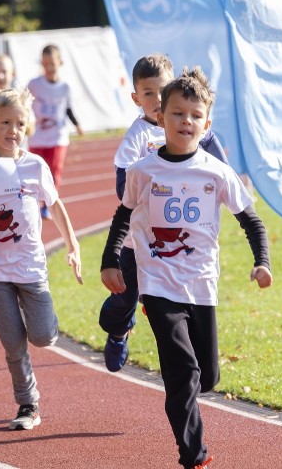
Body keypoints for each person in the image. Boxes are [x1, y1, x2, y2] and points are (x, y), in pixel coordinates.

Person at [100, 67, 272, 469]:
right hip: (158, 284)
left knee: (206, 378)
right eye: (177, 114)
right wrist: (111, 261)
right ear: (161, 117)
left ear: (206, 124)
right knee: (183, 373)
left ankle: (190, 408)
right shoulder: (144, 171)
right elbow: (123, 216)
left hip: (201, 284)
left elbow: (251, 220)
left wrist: (262, 262)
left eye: (195, 116)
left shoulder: (216, 171)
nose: (185, 122)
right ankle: (194, 457)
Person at [100, 54, 230, 373]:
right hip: (139, 240)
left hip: (178, 240)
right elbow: (124, 188)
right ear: (136, 98)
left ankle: (172, 335)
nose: (157, 99)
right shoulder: (137, 138)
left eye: (162, 91)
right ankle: (118, 329)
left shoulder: (187, 124)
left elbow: (218, 165)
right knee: (124, 298)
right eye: (148, 94)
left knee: (170, 299)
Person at [0, 87, 82, 431]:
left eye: (19, 123)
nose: (12, 130)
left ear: (27, 127)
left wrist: (73, 244)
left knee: (44, 336)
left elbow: (55, 205)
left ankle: (43, 325)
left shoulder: (35, 165)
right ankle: (27, 404)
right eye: (5, 122)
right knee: (14, 346)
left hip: (31, 267)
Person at [26, 44, 84, 218]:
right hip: (38, 138)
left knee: (54, 172)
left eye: (53, 63)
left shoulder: (65, 87)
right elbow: (24, 105)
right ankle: (34, 203)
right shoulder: (34, 84)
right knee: (34, 172)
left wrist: (77, 125)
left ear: (60, 63)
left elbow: (67, 109)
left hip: (58, 137)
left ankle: (48, 206)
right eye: (45, 64)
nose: (49, 67)